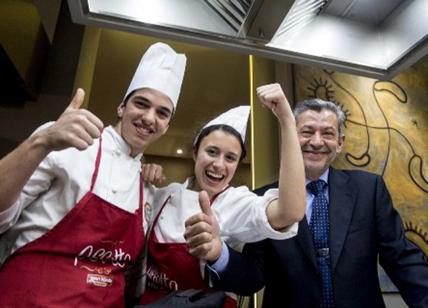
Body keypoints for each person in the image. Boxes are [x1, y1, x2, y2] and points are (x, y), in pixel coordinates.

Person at [188, 98, 428, 308]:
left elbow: (402, 259)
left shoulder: (368, 189)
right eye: (307, 131)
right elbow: (253, 277)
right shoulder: (263, 200)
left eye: (327, 133)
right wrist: (220, 255)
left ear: (340, 142)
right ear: (291, 137)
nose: (316, 141)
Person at [0, 42, 186, 307]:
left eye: (161, 113)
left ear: (166, 126)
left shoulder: (148, 190)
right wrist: (41, 142)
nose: (148, 117)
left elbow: (136, 272)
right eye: (141, 104)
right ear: (121, 107)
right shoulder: (66, 141)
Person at [138, 83, 306, 307]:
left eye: (230, 158)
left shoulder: (236, 201)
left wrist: (287, 121)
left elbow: (290, 211)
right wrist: (143, 175)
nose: (219, 165)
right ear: (196, 152)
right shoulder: (166, 194)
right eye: (212, 152)